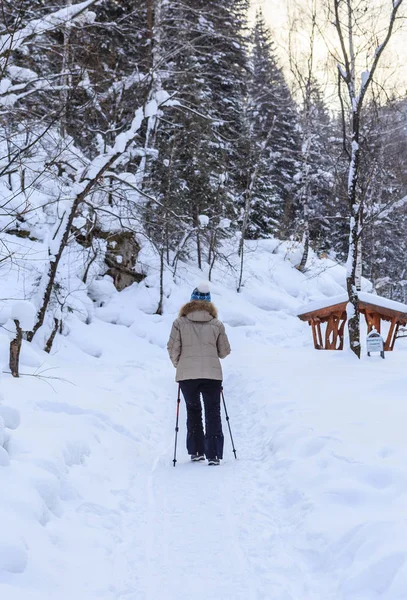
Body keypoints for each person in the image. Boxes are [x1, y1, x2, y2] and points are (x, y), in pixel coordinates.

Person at [167, 282, 231, 466]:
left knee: (193, 410)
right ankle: (214, 454)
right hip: (212, 377)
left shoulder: (179, 323)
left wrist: (180, 365)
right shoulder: (216, 324)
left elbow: (173, 349)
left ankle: (196, 451)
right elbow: (224, 352)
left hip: (188, 377)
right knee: (213, 412)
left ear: (191, 302)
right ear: (209, 304)